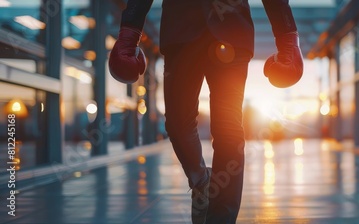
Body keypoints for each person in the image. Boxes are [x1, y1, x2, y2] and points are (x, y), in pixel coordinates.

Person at [109, 1, 303, 223]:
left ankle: (221, 219)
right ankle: (201, 180)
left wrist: (287, 37)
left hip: (232, 32)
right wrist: (129, 33)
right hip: (180, 31)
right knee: (176, 123)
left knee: (228, 127)